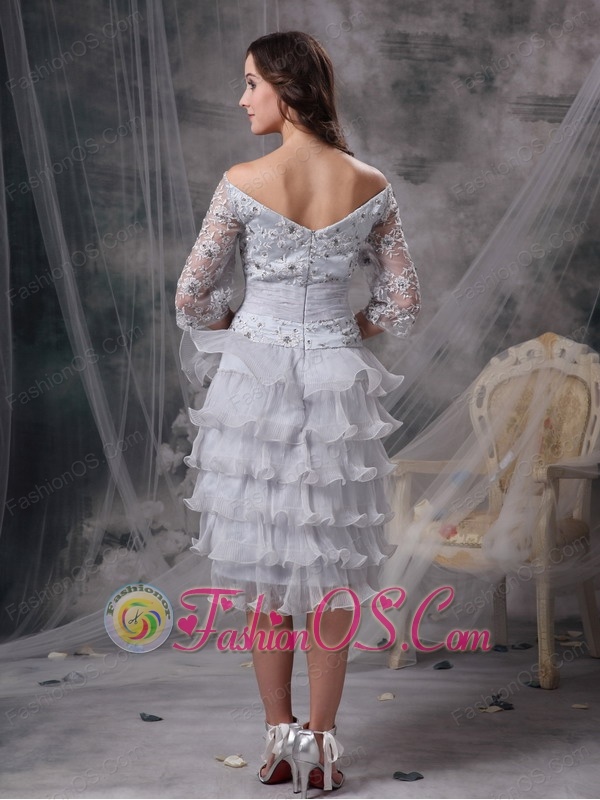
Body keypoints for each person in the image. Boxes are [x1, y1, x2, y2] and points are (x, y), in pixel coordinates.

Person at [175, 30, 420, 798]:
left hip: (256, 391)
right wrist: (344, 331)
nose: (242, 98)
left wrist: (241, 329)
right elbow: (402, 302)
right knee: (330, 572)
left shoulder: (243, 181)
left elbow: (192, 295)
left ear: (286, 89)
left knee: (265, 574)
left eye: (252, 83)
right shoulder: (370, 184)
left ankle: (280, 745)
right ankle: (322, 749)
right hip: (337, 390)